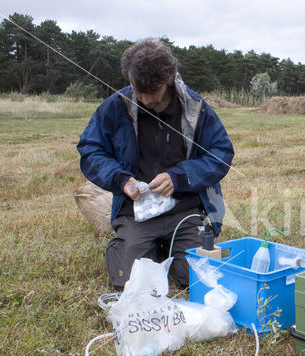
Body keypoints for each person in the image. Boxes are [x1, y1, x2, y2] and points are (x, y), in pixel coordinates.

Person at [77, 38, 234, 290]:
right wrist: (121, 179)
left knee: (197, 280)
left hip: (185, 210)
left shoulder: (195, 108)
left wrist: (179, 177)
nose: (145, 100)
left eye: (154, 92)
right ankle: (135, 244)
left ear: (169, 79)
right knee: (132, 282)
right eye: (138, 91)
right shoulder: (116, 107)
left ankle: (169, 248)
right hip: (136, 212)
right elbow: (90, 150)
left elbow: (221, 152)